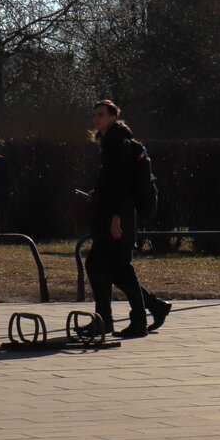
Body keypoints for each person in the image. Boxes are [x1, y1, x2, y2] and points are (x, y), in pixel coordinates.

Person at [83, 99, 171, 339]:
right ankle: (143, 313)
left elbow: (122, 185)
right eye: (95, 115)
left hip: (117, 217)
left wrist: (116, 216)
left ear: (113, 116)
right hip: (117, 214)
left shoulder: (117, 144)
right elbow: (113, 183)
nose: (97, 119)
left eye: (101, 114)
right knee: (115, 268)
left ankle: (110, 321)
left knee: (106, 266)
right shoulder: (112, 142)